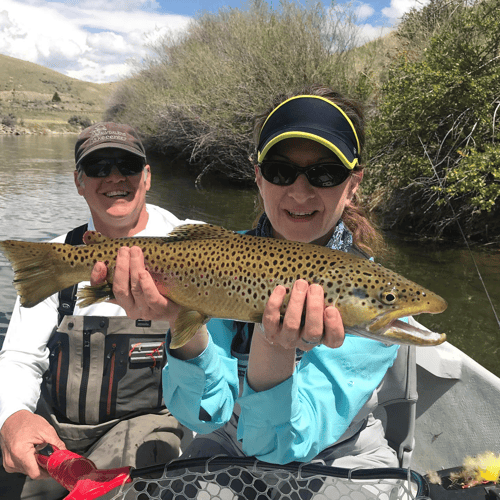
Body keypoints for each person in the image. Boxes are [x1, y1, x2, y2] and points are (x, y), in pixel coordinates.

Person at [90, 87, 400, 469]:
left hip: (341, 455)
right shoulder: (222, 261)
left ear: (353, 184)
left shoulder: (373, 293)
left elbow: (280, 446)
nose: (300, 192)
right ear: (258, 177)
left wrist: (276, 346)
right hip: (226, 444)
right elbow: (202, 415)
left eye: (325, 173)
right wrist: (179, 320)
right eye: (280, 171)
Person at [0, 122, 200, 499]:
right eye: (98, 167)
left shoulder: (195, 241)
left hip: (148, 429)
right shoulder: (59, 256)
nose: (114, 177)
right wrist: (14, 416)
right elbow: (21, 357)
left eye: (126, 165)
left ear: (147, 176)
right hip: (57, 433)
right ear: (79, 181)